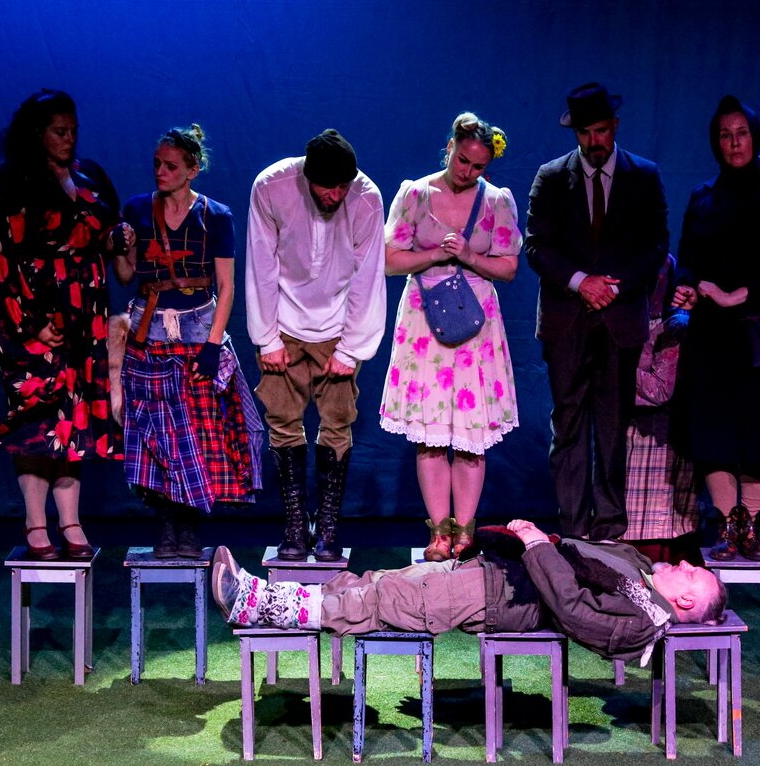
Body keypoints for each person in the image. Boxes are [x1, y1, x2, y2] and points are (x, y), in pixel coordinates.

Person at [210, 519, 728, 662]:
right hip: (496, 575)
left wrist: (536, 544)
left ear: (684, 602)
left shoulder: (642, 619)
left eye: (692, 574)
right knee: (376, 583)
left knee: (383, 601)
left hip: (498, 597)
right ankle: (261, 595)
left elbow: (573, 611)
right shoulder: (642, 570)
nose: (685, 562)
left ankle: (252, 604)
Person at [0, 89, 126, 560]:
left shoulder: (90, 177)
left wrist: (118, 239)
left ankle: (71, 519)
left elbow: (102, 236)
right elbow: (3, 262)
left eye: (73, 131)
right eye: (59, 131)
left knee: (75, 418)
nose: (68, 139)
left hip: (86, 319)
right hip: (35, 323)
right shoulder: (17, 185)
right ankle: (35, 521)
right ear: (37, 133)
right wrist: (31, 326)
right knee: (38, 421)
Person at [525, 82, 669, 541]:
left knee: (612, 425)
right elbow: (537, 247)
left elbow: (656, 246)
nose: (594, 141)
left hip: (619, 320)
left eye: (601, 130)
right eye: (585, 133)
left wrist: (612, 287)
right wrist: (580, 282)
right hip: (566, 320)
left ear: (615, 126)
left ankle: (608, 530)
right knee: (568, 424)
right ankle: (572, 530)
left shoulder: (643, 176)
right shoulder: (551, 177)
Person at [115, 125, 263, 558]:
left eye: (171, 165)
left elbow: (226, 286)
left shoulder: (214, 215)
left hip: (198, 334)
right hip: (149, 334)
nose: (160, 171)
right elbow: (125, 275)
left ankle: (189, 524)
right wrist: (119, 247)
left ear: (193, 169)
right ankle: (166, 523)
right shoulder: (138, 209)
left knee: (197, 432)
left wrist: (213, 345)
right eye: (157, 164)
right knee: (155, 433)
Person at [671, 95, 760, 563]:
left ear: (755, 137)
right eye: (725, 135)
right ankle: (729, 526)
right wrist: (687, 286)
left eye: (742, 133)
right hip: (712, 337)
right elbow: (688, 257)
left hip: (759, 334)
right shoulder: (703, 196)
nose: (734, 143)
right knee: (714, 436)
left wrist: (740, 295)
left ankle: (749, 523)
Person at [379, 113, 521, 560]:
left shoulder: (496, 201)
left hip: (476, 324)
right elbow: (391, 260)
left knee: (471, 437)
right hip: (425, 322)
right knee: (432, 434)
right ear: (450, 148)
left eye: (478, 166)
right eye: (462, 161)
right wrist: (435, 255)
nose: (468, 172)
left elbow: (509, 267)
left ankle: (465, 532)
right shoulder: (415, 194)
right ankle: (439, 532)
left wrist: (469, 258)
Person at [246, 130, 386, 561]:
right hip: (284, 322)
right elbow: (261, 262)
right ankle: (294, 525)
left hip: (338, 325)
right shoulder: (272, 186)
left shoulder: (366, 198)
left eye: (343, 186)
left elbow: (368, 274)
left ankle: (326, 528)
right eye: (328, 187)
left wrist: (351, 348)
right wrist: (267, 338)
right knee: (283, 421)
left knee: (338, 421)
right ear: (308, 177)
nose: (336, 195)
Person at [622, 255, 699, 565]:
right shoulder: (622, 322)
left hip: (659, 437)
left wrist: (614, 367)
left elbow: (660, 390)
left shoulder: (673, 326)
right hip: (621, 434)